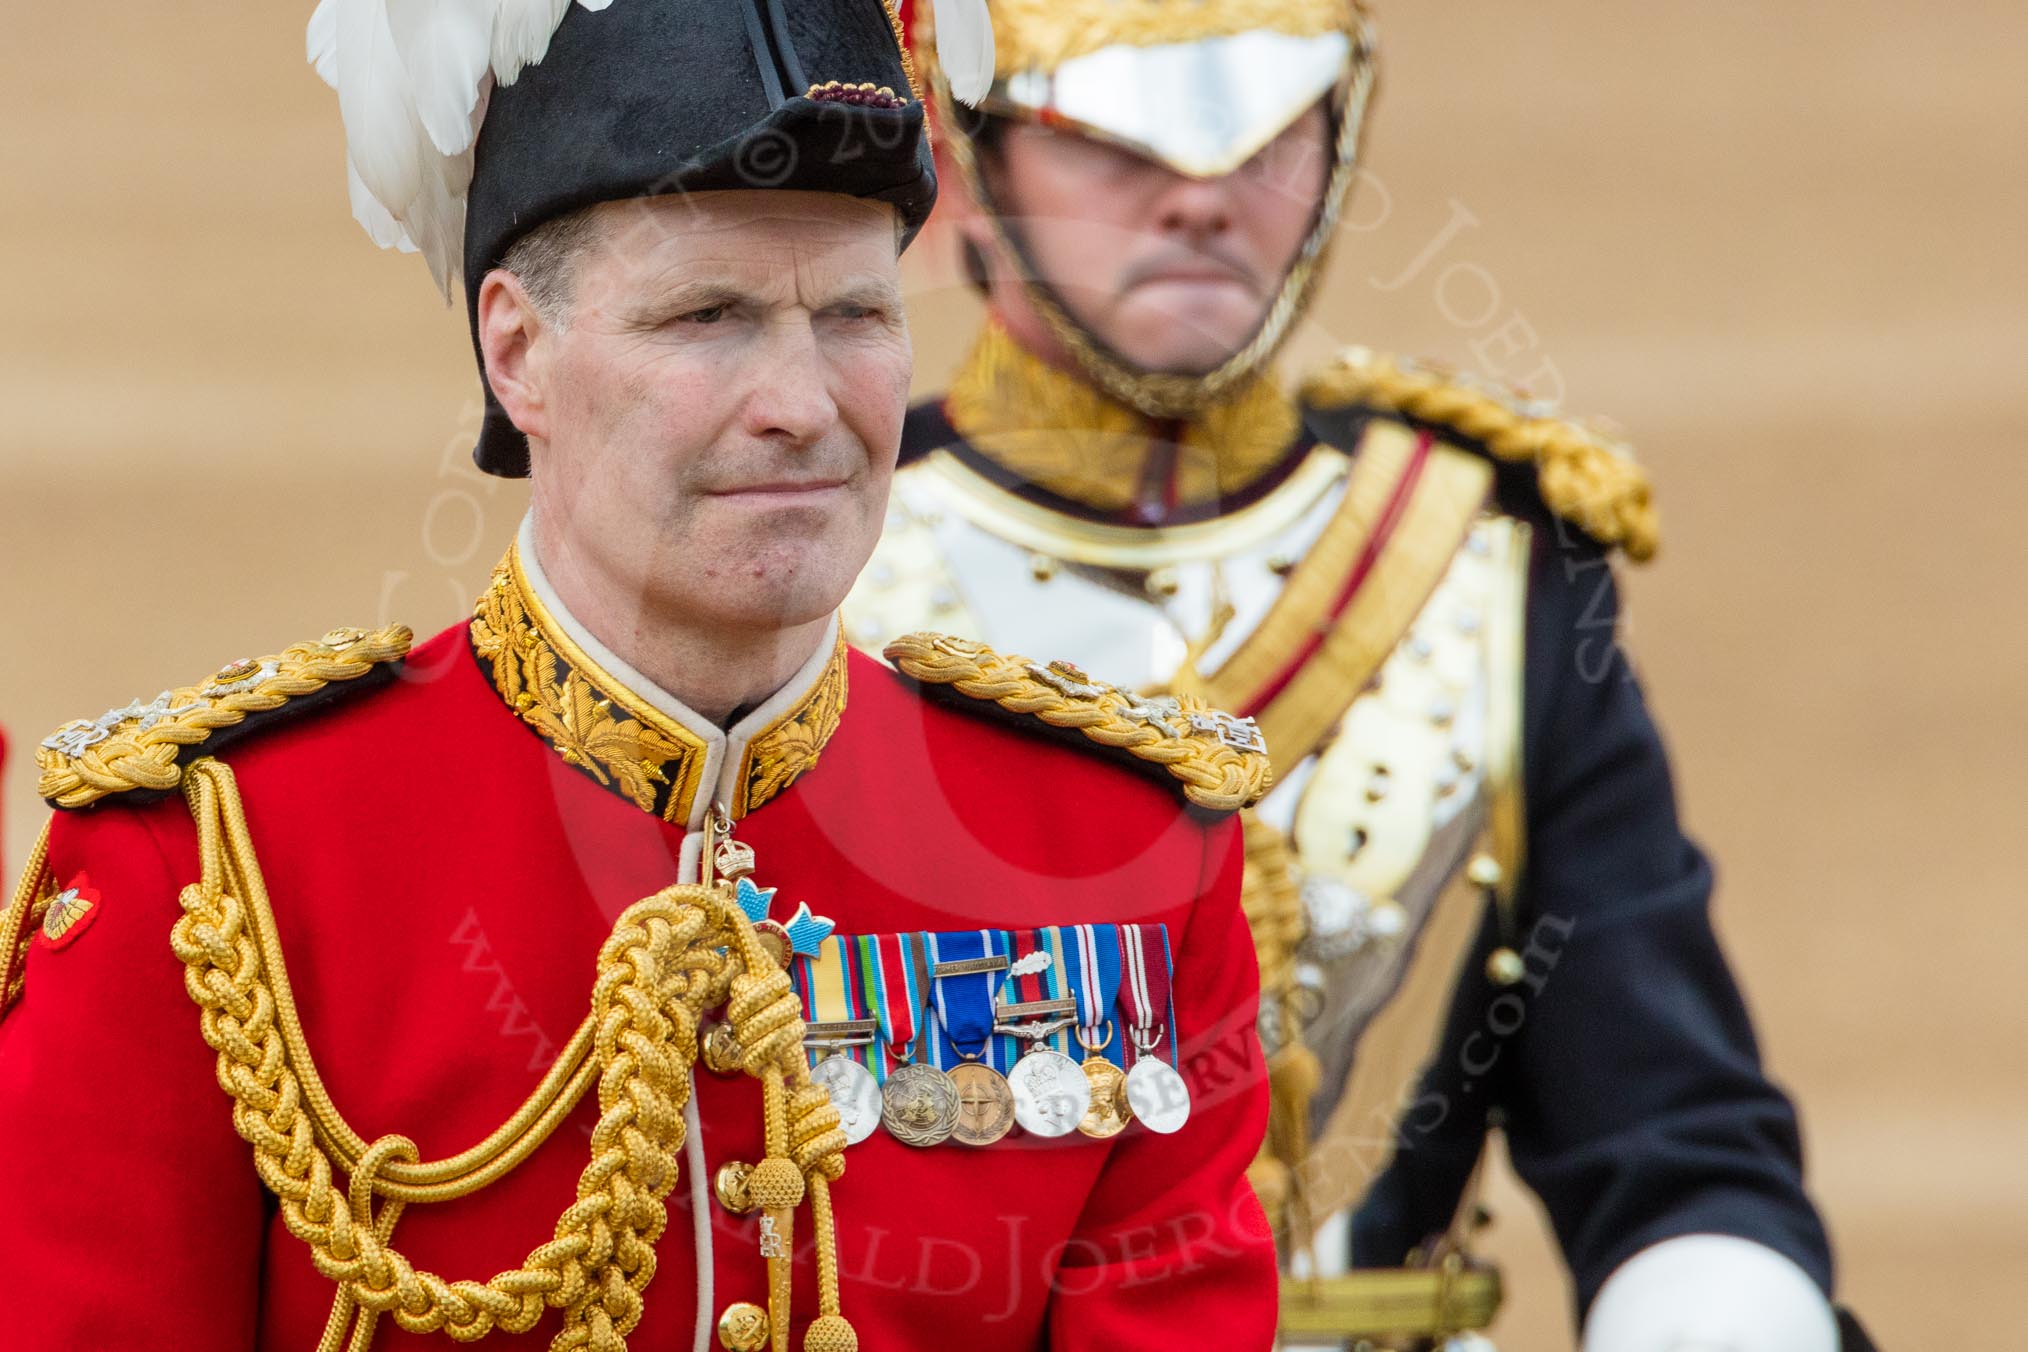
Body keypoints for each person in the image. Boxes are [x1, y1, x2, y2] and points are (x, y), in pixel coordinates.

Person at [0, 2, 1281, 1348]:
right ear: (518, 353)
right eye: (707, 316)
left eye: (852, 313)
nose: (802, 403)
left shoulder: (1128, 853)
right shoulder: (202, 872)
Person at [847, 1, 1875, 1347]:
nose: (1202, 203)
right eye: (1118, 149)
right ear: (968, 150)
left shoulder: (1481, 562)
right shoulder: (820, 568)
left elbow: (1673, 1149)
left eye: (1267, 139)